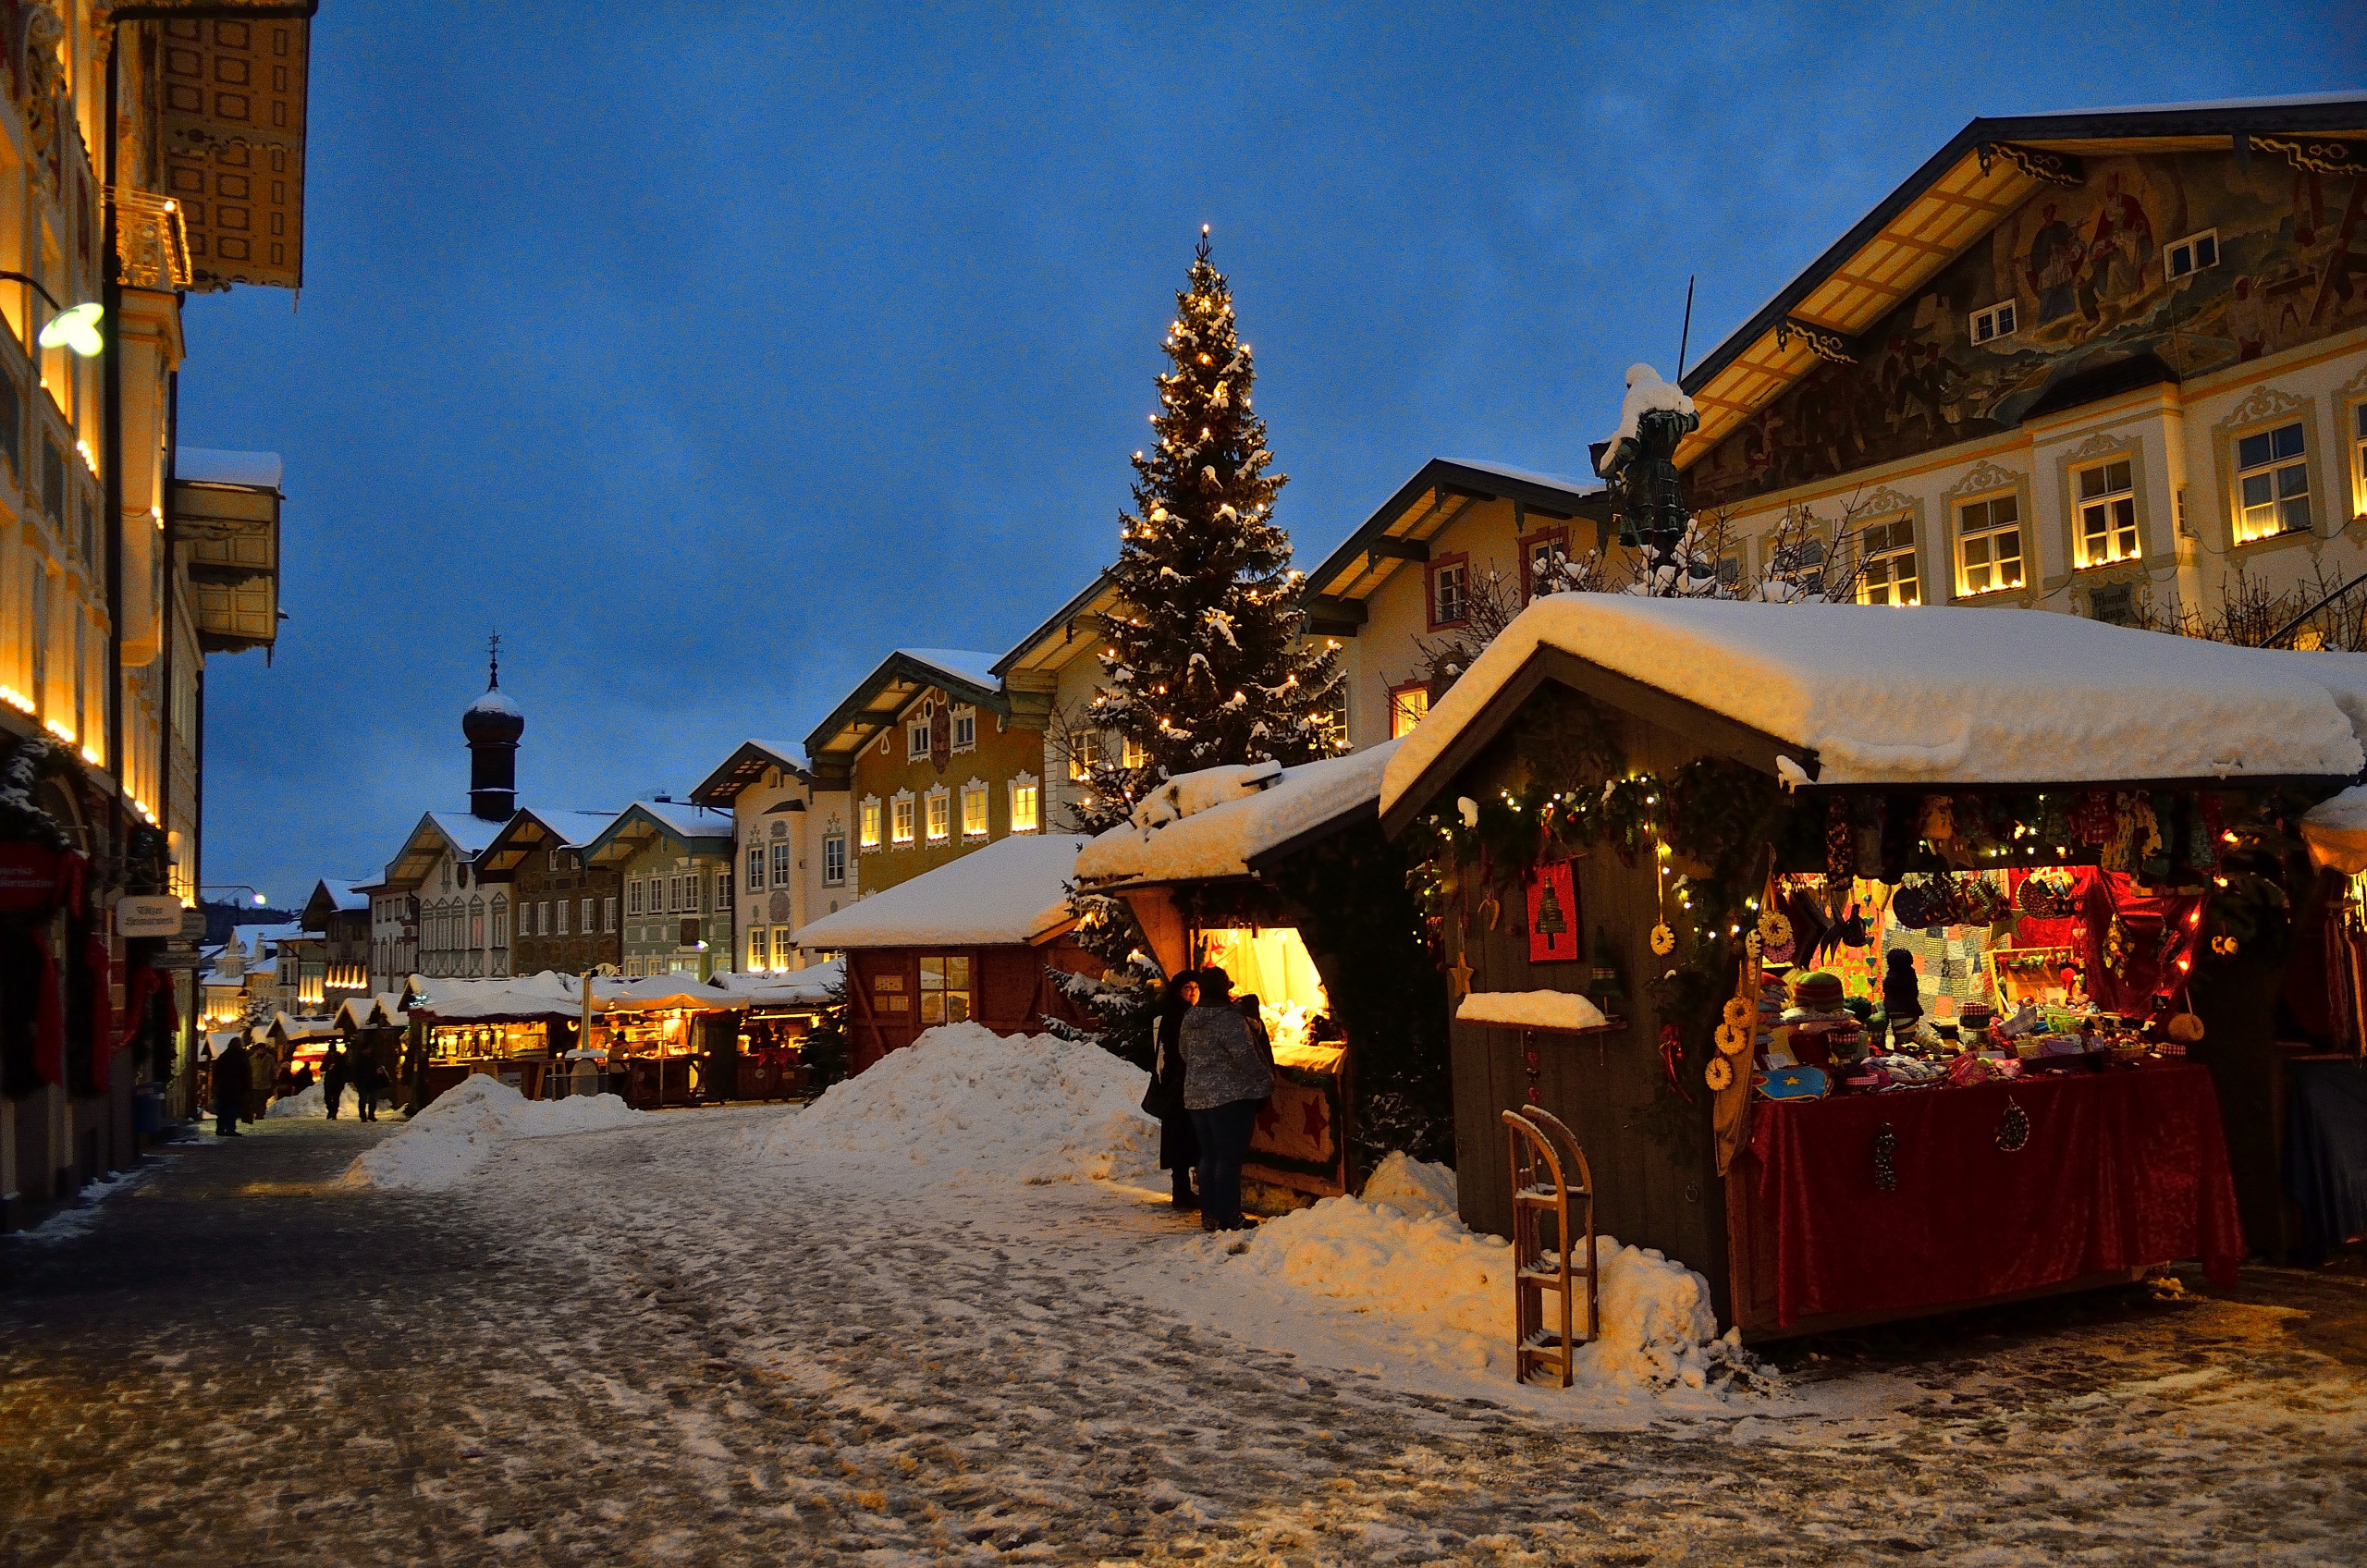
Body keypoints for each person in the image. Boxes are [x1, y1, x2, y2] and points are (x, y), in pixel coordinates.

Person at [1179, 967, 1275, 1232]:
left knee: (1208, 1155)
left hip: (1197, 1098)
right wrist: (1267, 1080)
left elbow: (1184, 1053)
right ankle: (1230, 1215)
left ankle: (1209, 1214)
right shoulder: (1230, 1020)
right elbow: (1246, 1057)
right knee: (1229, 1158)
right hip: (1231, 1098)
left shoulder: (1190, 1017)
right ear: (1224, 990)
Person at [1144, 973, 1202, 1211]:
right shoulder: (1181, 1015)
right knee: (1183, 1137)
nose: (1192, 991)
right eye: (1187, 987)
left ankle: (1182, 1190)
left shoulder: (1175, 1012)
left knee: (1181, 1139)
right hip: (1180, 1086)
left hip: (1176, 1083)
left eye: (1196, 987)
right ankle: (1182, 1191)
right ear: (1178, 989)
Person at [212, 1040, 251, 1138]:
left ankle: (220, 1128)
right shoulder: (241, 1057)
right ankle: (230, 1129)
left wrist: (215, 1085)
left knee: (223, 1109)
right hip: (236, 1088)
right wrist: (246, 1087)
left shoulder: (223, 1056)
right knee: (232, 1109)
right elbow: (246, 1073)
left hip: (223, 1088)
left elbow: (216, 1072)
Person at [351, 1047, 384, 1122]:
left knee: (372, 1099)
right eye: (367, 1048)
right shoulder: (359, 1060)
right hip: (363, 1082)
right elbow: (356, 1072)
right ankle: (363, 1115)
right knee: (364, 1099)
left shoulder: (372, 1059)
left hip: (371, 1082)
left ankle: (370, 1115)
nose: (369, 1050)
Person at [322, 1042, 349, 1121]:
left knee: (330, 1097)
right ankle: (333, 1112)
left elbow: (322, 1068)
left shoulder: (332, 1057)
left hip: (333, 1080)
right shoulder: (338, 1056)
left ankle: (332, 1112)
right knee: (333, 1097)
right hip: (336, 1080)